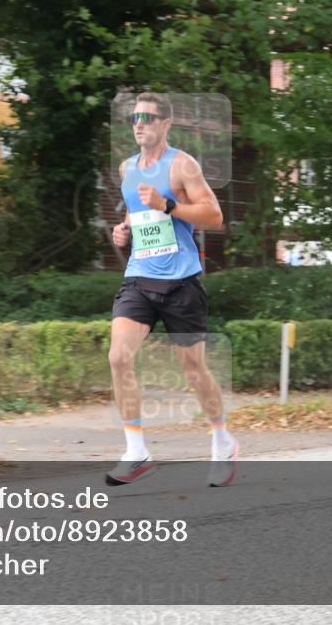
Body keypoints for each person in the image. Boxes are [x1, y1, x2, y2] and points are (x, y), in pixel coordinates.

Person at [106, 93, 238, 487]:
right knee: (118, 357)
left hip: (181, 282)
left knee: (194, 371)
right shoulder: (127, 167)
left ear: (166, 124)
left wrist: (169, 205)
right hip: (139, 279)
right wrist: (123, 230)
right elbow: (135, 209)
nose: (139, 124)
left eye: (148, 117)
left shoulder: (182, 165)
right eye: (135, 118)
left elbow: (214, 216)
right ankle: (137, 452)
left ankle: (222, 440)